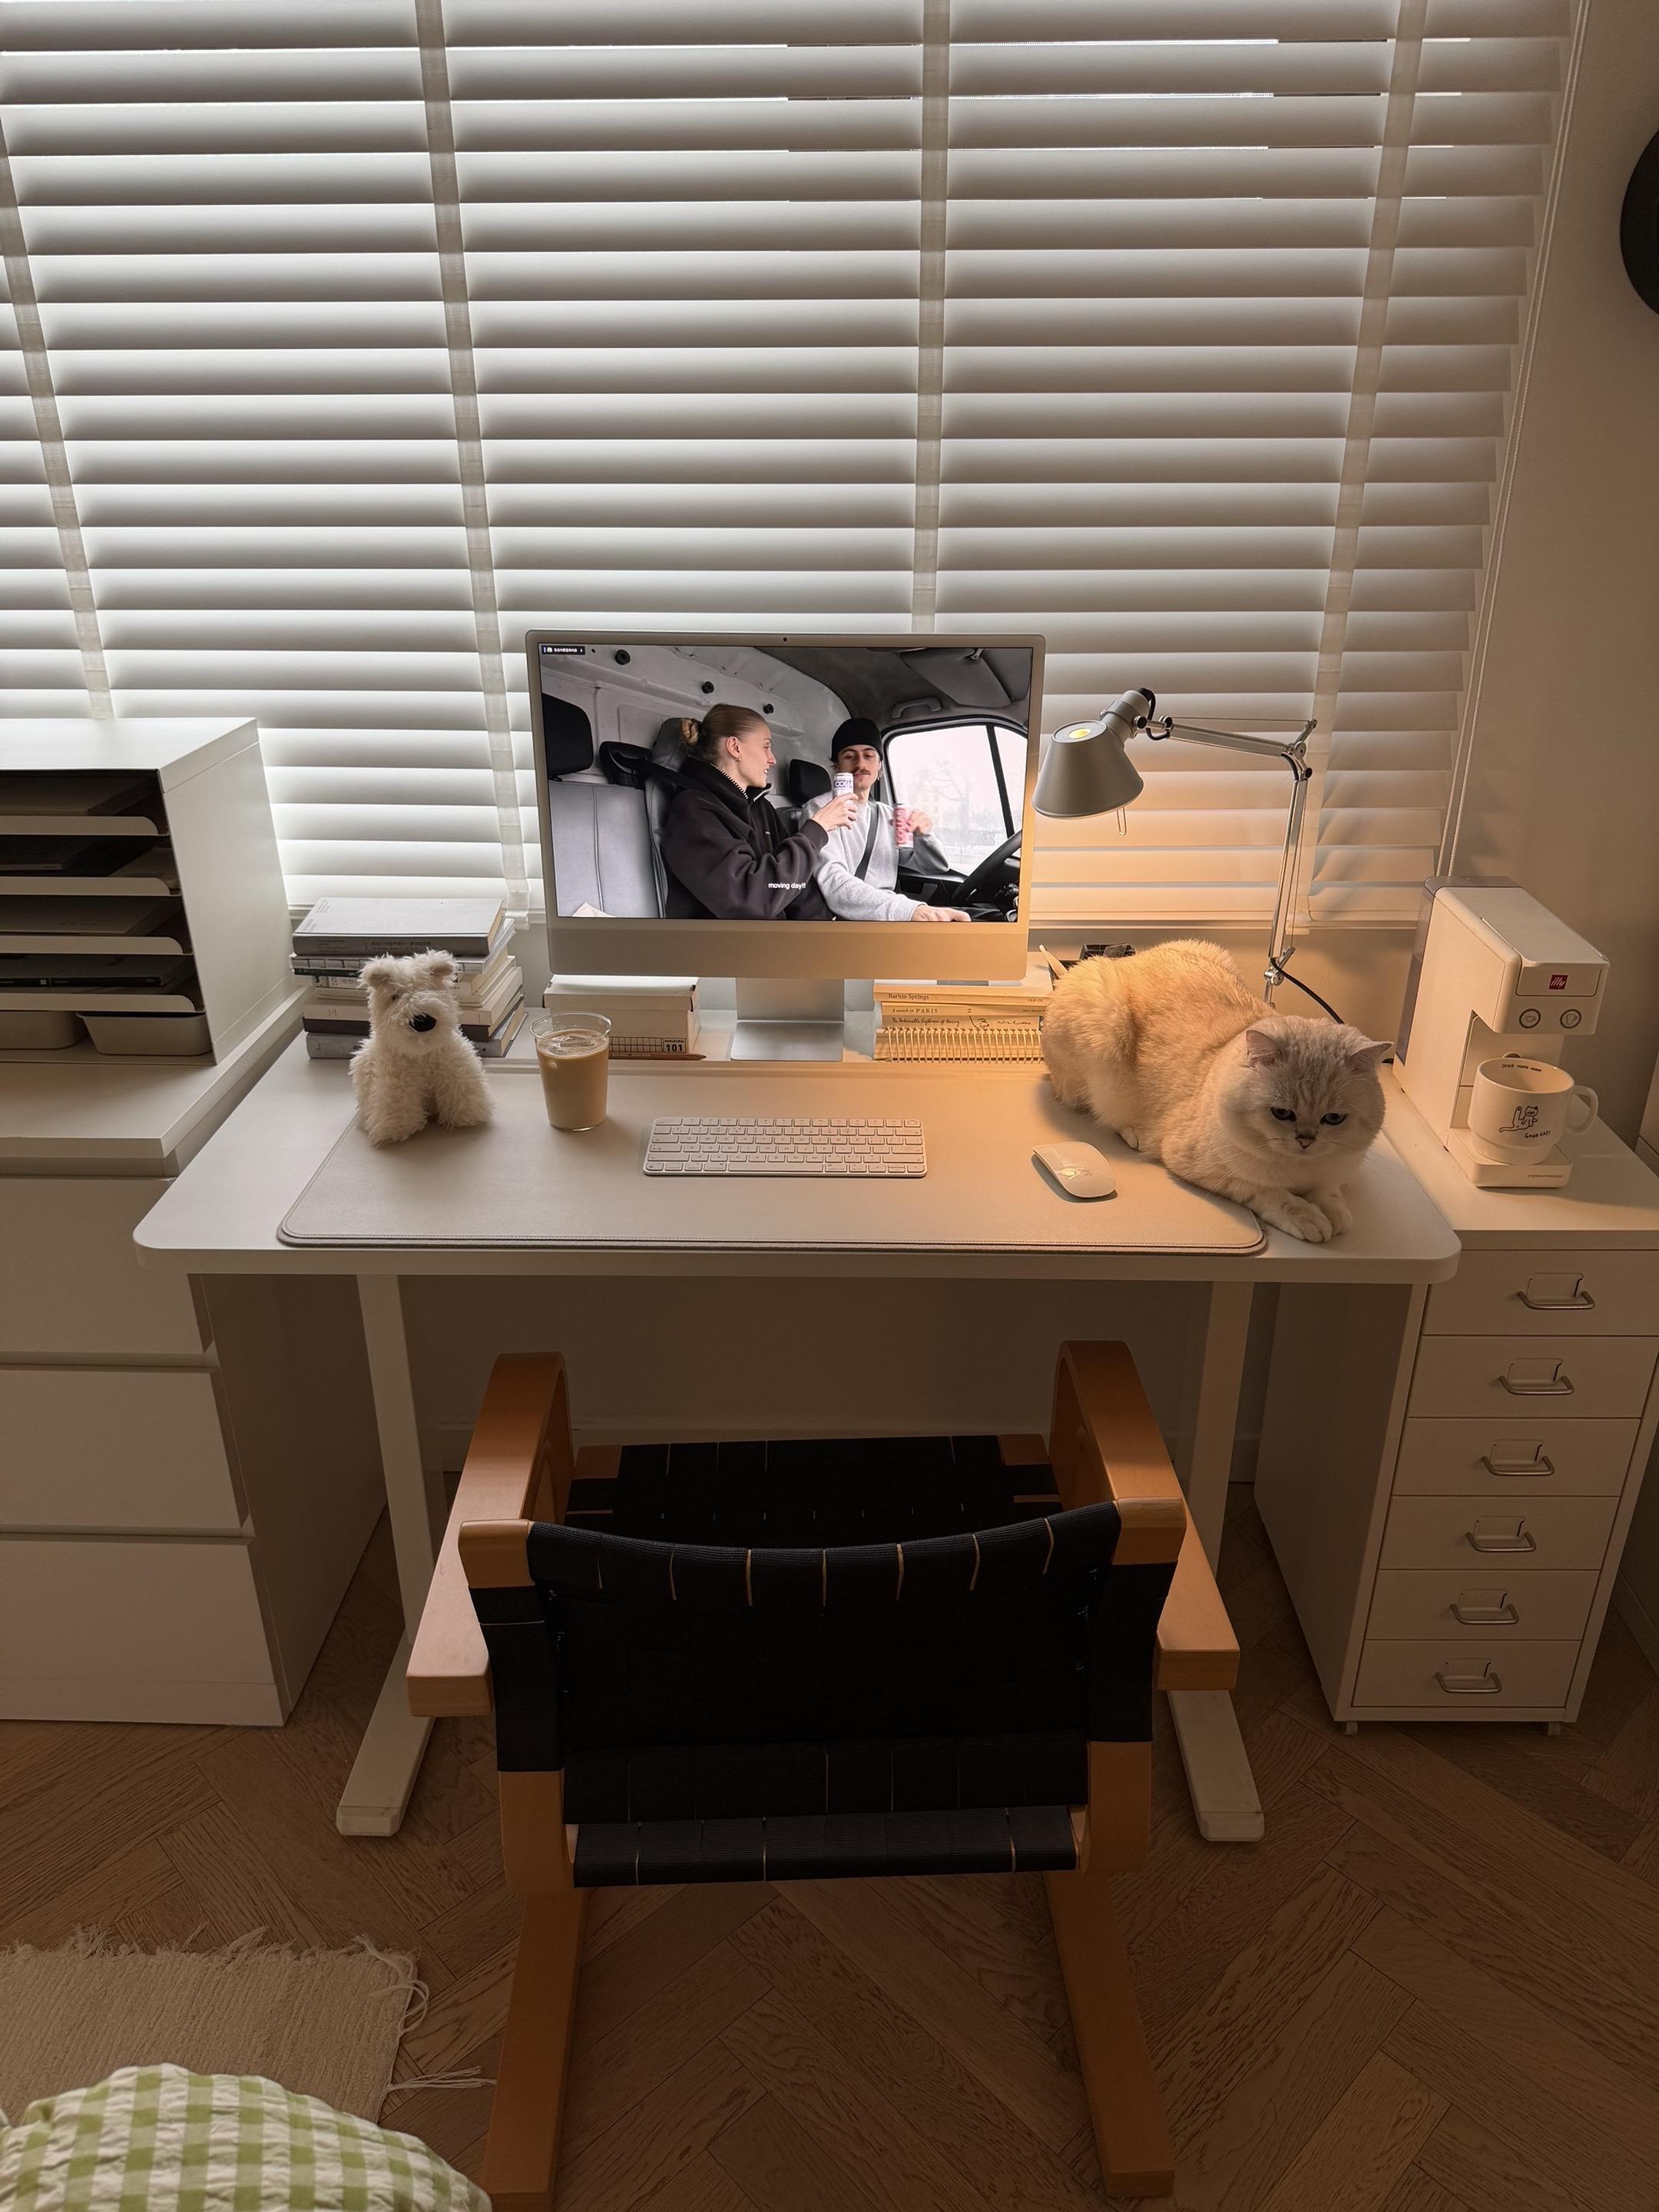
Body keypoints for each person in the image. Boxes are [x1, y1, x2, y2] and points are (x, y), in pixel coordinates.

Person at [658, 704, 855, 920]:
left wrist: (828, 930)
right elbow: (751, 900)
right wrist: (816, 829)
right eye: (766, 747)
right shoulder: (693, 811)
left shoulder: (761, 807)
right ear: (735, 747)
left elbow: (798, 889)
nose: (772, 759)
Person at [813, 717, 969, 922]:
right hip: (846, 922)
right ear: (837, 766)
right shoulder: (821, 809)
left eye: (869, 755)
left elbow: (936, 868)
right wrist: (910, 910)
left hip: (886, 916)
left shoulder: (887, 815)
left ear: (880, 765)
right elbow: (834, 882)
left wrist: (924, 837)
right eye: (849, 756)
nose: (860, 764)